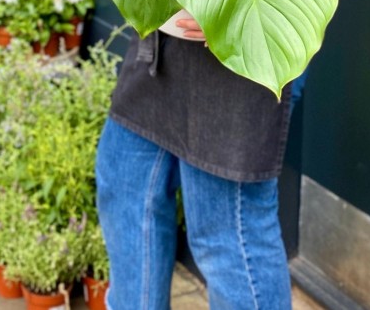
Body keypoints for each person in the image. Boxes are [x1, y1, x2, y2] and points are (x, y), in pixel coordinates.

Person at [95, 16, 296, 310]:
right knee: (125, 184)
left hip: (239, 45)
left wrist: (235, 4)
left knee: (227, 230)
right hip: (162, 31)